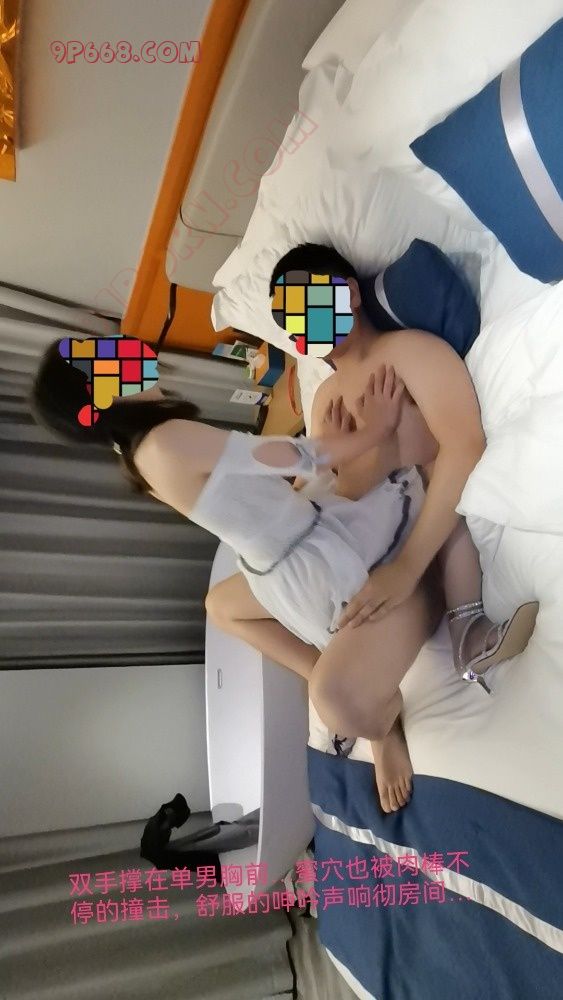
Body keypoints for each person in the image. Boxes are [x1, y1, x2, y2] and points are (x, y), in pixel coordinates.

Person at [30, 340, 537, 815]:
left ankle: (356, 659)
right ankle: (379, 721)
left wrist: (345, 451)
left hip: (284, 553)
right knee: (324, 693)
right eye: (100, 355)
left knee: (225, 607)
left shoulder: (134, 452)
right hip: (305, 553)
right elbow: (292, 456)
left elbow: (263, 486)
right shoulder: (163, 441)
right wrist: (368, 434)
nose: (118, 345)